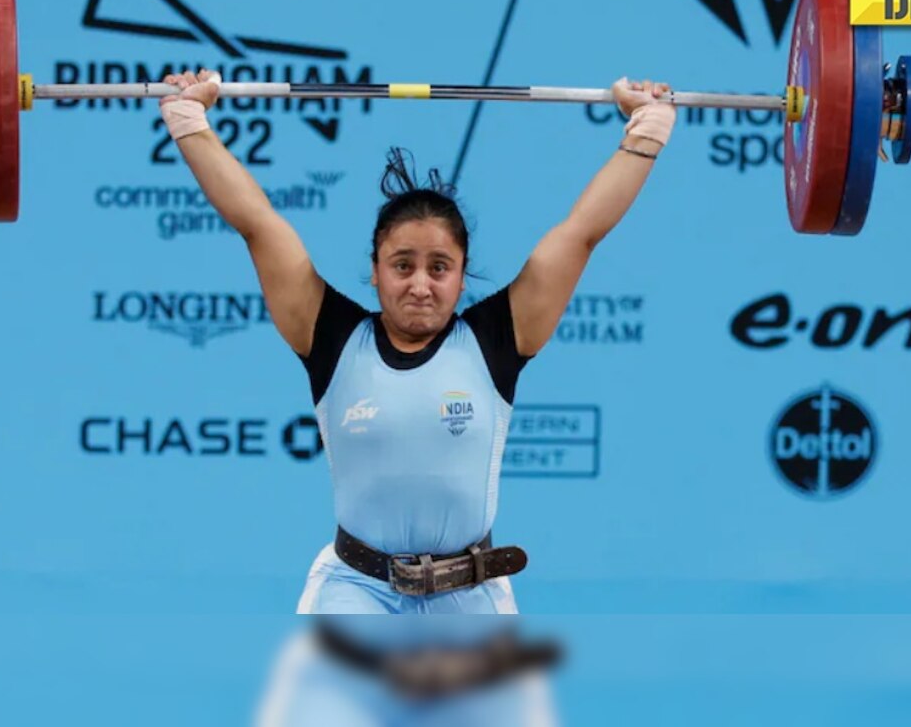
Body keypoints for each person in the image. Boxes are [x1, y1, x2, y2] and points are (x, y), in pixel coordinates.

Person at [159, 69, 676, 614]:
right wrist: (190, 118)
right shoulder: (330, 335)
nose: (421, 285)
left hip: (471, 597)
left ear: (462, 274)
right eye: (402, 265)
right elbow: (258, 224)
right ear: (376, 270)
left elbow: (582, 231)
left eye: (440, 267)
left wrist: (648, 126)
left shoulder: (500, 336)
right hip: (354, 592)